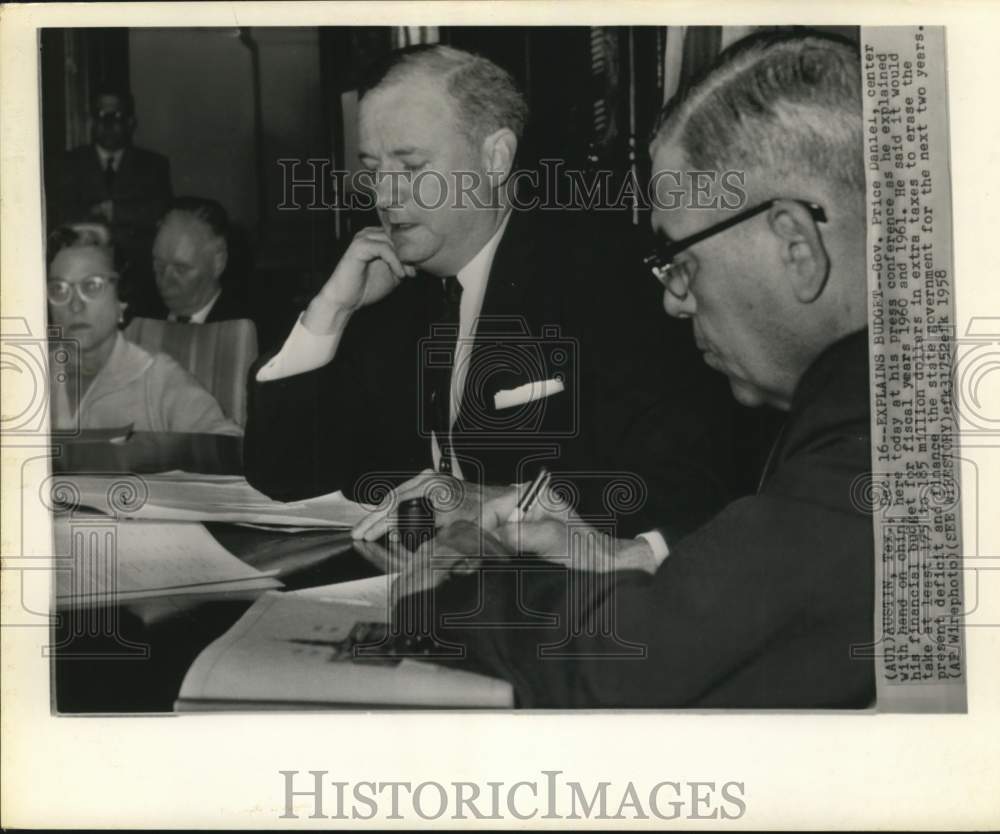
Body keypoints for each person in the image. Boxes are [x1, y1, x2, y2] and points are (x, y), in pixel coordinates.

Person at [390, 31, 875, 708]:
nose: (674, 300)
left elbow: (626, 656)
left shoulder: (873, 453)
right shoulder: (870, 400)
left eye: (679, 255)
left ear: (795, 246)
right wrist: (636, 556)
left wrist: (456, 587)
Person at [244, 44, 736, 542]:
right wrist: (330, 312)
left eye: (411, 167)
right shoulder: (386, 288)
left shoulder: (609, 280)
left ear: (495, 157)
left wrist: (513, 503)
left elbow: (693, 486)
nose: (385, 196)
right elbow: (284, 479)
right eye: (373, 169)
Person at [47, 223, 242, 436]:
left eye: (92, 286)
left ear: (120, 299)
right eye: (59, 289)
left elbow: (227, 441)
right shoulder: (32, 376)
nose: (75, 305)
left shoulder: (157, 378)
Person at [52, 87, 172, 309]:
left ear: (130, 122)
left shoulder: (154, 166)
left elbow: (160, 214)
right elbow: (61, 214)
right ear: (91, 121)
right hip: (81, 279)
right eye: (100, 115)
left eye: (116, 115)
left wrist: (113, 211)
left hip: (138, 282)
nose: (107, 123)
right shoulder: (68, 164)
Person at [139, 197, 256, 325]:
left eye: (181, 269)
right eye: (159, 266)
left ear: (218, 262)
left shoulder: (247, 329)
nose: (165, 282)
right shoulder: (138, 321)